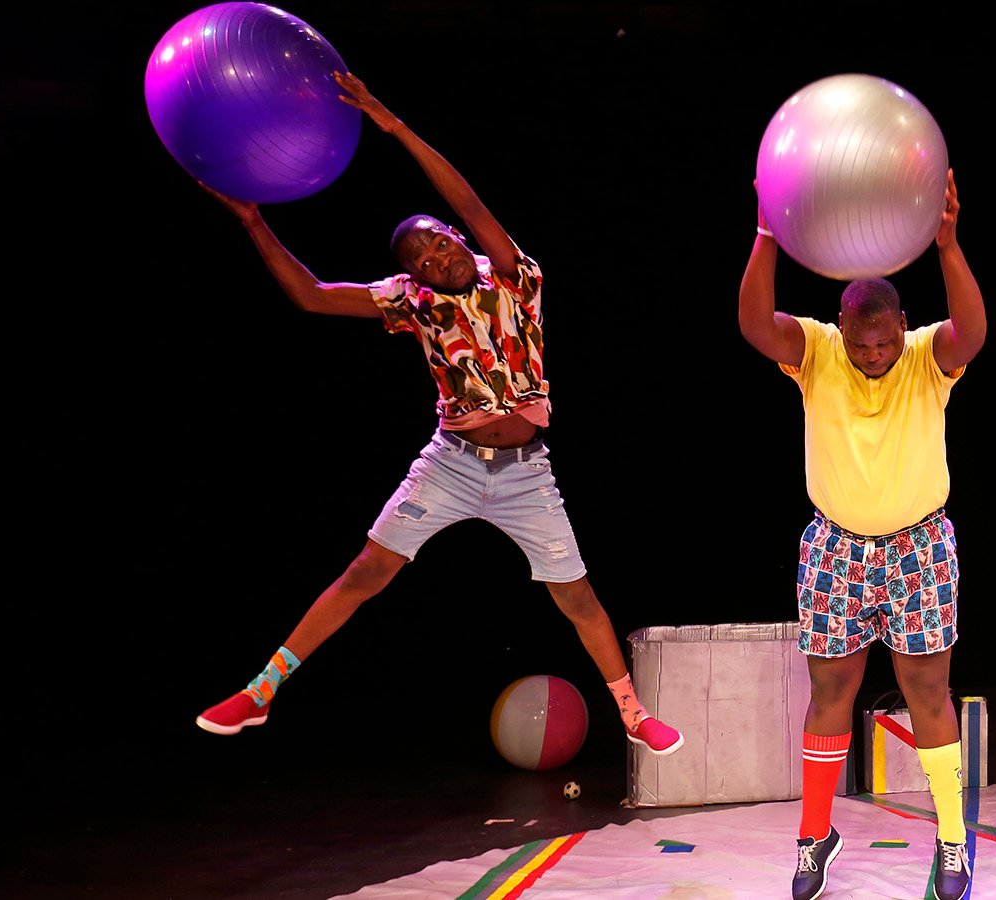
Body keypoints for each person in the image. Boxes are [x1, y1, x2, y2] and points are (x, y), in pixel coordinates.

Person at [193, 70, 683, 758]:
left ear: (457, 237)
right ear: (414, 277)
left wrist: (391, 125)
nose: (436, 258)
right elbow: (312, 296)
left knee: (575, 594)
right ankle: (262, 692)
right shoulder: (411, 302)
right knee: (367, 571)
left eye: (439, 243)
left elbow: (471, 200)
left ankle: (632, 713)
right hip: (451, 464)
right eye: (421, 260)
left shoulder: (515, 276)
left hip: (525, 472)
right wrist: (254, 222)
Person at [739, 170, 986, 900]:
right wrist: (764, 236)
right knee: (830, 692)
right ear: (841, 327)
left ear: (899, 327)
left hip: (919, 546)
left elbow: (972, 331)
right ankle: (816, 836)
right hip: (836, 547)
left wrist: (947, 244)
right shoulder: (814, 350)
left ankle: (950, 840)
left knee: (929, 692)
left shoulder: (923, 356)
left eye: (884, 343)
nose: (874, 355)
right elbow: (756, 325)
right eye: (863, 344)